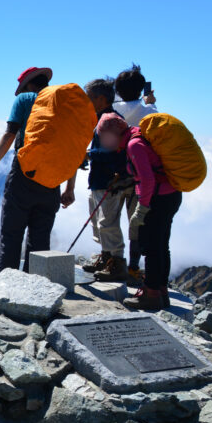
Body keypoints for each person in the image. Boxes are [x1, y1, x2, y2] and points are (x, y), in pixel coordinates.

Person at [0, 67, 76, 273]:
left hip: (24, 173)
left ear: (28, 85)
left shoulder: (24, 99)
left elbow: (9, 135)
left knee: (11, 232)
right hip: (52, 177)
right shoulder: (63, 105)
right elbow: (72, 147)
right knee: (40, 237)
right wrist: (70, 187)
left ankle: (4, 287)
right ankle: (37, 289)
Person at [93, 114, 180, 311]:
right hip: (170, 195)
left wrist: (142, 208)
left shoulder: (134, 145)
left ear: (113, 134)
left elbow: (148, 180)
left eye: (104, 136)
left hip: (157, 199)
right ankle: (161, 293)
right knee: (161, 246)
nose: (103, 142)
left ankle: (150, 295)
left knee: (151, 247)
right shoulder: (137, 137)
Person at [80, 78, 131, 280]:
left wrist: (89, 155)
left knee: (107, 224)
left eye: (89, 98)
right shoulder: (105, 118)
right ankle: (107, 258)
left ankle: (116, 265)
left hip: (107, 180)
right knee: (101, 223)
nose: (86, 102)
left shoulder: (108, 120)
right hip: (102, 179)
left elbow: (113, 154)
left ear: (101, 99)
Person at [113, 64, 159, 279]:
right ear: (142, 90)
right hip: (138, 175)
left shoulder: (111, 109)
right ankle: (133, 267)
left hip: (110, 174)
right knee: (136, 223)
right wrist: (150, 103)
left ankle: (112, 261)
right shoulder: (148, 111)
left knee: (109, 220)